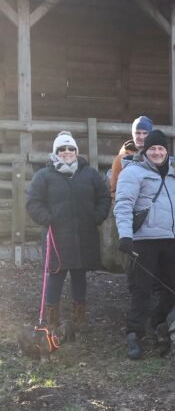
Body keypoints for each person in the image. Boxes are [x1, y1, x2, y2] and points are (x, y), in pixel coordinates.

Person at [26, 131, 111, 335]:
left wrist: (96, 217)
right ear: (55, 152)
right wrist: (46, 218)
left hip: (83, 234)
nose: (66, 152)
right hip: (57, 235)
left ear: (76, 151)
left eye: (70, 148)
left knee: (79, 275)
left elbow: (104, 197)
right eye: (61, 149)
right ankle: (52, 320)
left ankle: (78, 318)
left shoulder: (89, 173)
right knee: (55, 275)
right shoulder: (44, 176)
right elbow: (32, 201)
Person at [114, 130, 175, 360]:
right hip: (144, 240)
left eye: (161, 148)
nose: (157, 152)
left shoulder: (174, 172)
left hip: (171, 239)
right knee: (140, 288)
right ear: (145, 150)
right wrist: (125, 235)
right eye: (153, 148)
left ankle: (157, 323)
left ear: (166, 151)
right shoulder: (133, 172)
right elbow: (123, 204)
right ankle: (134, 333)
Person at [109, 115, 153, 199]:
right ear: (133, 134)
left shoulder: (156, 155)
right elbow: (114, 188)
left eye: (145, 133)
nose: (141, 137)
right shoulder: (121, 159)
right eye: (137, 133)